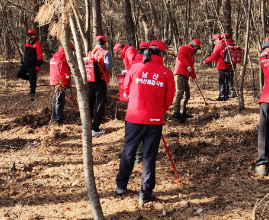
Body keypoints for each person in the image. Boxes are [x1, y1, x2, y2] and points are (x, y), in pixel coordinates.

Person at [115, 40, 176, 205]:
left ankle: (121, 186)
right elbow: (169, 99)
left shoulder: (135, 68)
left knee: (128, 152)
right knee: (149, 157)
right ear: (162, 54)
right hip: (154, 121)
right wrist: (157, 111)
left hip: (134, 118)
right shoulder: (166, 73)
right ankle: (145, 194)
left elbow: (125, 90)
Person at [86, 35, 113, 138]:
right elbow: (109, 66)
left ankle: (87, 127)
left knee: (90, 103)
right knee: (99, 104)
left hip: (90, 80)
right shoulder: (105, 53)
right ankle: (95, 129)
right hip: (101, 81)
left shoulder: (90, 52)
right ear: (104, 43)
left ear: (95, 43)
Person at [172, 39, 201, 123]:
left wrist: (194, 76)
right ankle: (176, 113)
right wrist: (188, 65)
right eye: (197, 47)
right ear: (194, 46)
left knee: (187, 94)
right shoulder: (184, 48)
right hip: (179, 74)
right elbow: (180, 56)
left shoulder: (191, 56)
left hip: (186, 76)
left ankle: (183, 112)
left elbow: (191, 67)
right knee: (180, 92)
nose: (196, 49)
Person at [17, 29, 43, 97]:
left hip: (33, 65)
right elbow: (26, 54)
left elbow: (40, 55)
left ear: (34, 35)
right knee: (19, 74)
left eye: (31, 35)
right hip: (26, 64)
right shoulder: (27, 43)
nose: (29, 36)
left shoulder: (38, 44)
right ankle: (32, 79)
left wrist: (38, 65)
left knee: (32, 80)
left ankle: (32, 92)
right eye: (29, 35)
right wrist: (24, 61)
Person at [204, 34, 231, 100]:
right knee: (227, 81)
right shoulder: (227, 44)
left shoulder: (218, 46)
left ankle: (222, 97)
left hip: (221, 66)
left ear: (218, 39)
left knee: (221, 82)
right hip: (229, 66)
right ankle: (226, 95)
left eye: (214, 40)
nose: (214, 42)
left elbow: (213, 56)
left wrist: (205, 60)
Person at [50, 46, 71, 123]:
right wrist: (67, 74)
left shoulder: (57, 54)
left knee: (58, 99)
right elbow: (60, 65)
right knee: (60, 100)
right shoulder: (62, 55)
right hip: (59, 81)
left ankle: (54, 116)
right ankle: (58, 119)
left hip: (55, 80)